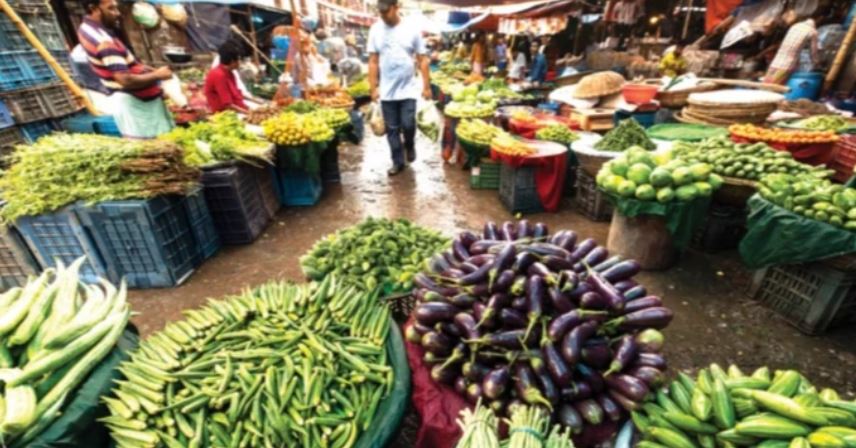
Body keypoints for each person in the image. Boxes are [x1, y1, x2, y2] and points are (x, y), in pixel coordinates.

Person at [77, 0, 174, 138]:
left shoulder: (86, 29)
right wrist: (158, 75)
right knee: (158, 146)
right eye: (111, 9)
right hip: (137, 106)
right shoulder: (104, 41)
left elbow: (124, 65)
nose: (117, 14)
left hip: (131, 102)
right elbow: (126, 80)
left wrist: (148, 70)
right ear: (93, 8)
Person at [368, 0, 431, 176]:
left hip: (408, 89)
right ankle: (397, 162)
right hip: (387, 92)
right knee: (392, 129)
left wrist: (426, 86)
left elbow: (422, 59)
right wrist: (373, 88)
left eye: (386, 12)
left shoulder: (412, 29)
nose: (383, 16)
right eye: (380, 13)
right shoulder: (375, 30)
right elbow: (373, 61)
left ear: (397, 8)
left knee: (408, 124)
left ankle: (409, 144)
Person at [762, 15, 820, 85]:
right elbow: (813, 52)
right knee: (776, 86)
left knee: (766, 84)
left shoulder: (795, 26)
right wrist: (816, 63)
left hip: (776, 61)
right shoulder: (813, 31)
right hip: (788, 64)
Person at [204, 44, 248, 114]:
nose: (240, 62)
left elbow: (237, 94)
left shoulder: (230, 73)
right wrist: (248, 113)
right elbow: (227, 104)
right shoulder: (219, 75)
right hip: (222, 113)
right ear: (232, 61)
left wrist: (257, 102)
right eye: (239, 59)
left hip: (234, 109)